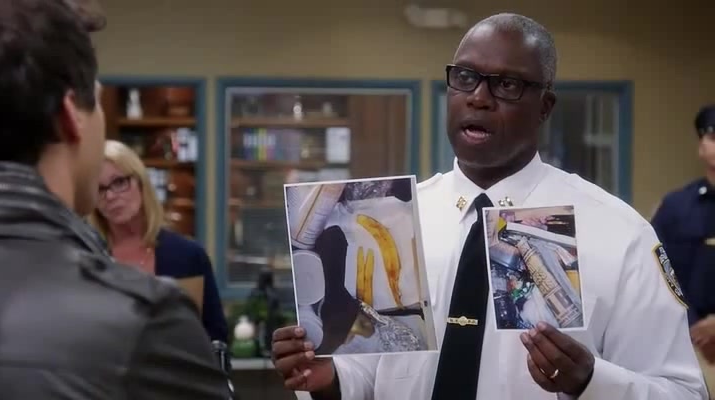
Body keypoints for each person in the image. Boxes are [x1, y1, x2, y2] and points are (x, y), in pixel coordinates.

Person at [271, 13, 708, 400]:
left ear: (545, 106)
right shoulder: (393, 219)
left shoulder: (618, 233)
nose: (478, 97)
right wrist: (330, 380)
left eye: (507, 85)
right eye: (465, 77)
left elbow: (684, 392)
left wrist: (591, 382)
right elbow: (373, 375)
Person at [0, 0, 231, 398]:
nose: (112, 195)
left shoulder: (180, 261)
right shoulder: (143, 319)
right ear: (71, 116)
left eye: (121, 182)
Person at [90, 139, 229, 343]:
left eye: (119, 182)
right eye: (99, 189)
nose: (110, 196)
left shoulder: (188, 255)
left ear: (141, 183)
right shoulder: (89, 259)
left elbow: (216, 339)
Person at [651, 105, 715, 389]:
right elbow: (658, 271)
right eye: (713, 137)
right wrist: (691, 325)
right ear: (702, 145)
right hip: (689, 346)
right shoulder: (676, 207)